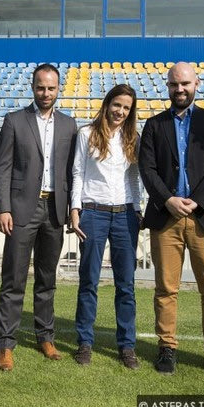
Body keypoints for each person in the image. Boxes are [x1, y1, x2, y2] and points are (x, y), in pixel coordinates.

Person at [138, 62, 204, 378]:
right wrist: (168, 199)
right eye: (174, 84)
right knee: (166, 289)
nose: (180, 89)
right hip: (166, 217)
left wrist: (198, 200)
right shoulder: (154, 125)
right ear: (168, 86)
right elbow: (147, 168)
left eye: (185, 84)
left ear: (196, 84)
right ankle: (167, 348)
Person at [0, 63, 77, 371]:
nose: (45, 93)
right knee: (13, 279)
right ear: (32, 87)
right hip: (21, 210)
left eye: (51, 88)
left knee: (47, 279)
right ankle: (5, 344)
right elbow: (3, 167)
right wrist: (3, 207)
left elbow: (72, 172)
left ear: (58, 89)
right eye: (41, 87)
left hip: (55, 210)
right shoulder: (14, 120)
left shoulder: (69, 125)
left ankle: (45, 337)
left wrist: (72, 209)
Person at [70, 84, 142, 368]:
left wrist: (137, 209)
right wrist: (75, 210)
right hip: (93, 213)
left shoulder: (132, 137)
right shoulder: (86, 134)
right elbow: (78, 173)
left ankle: (127, 346)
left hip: (125, 215)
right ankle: (85, 342)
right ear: (107, 104)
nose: (120, 112)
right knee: (89, 281)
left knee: (126, 284)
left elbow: (133, 178)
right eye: (117, 105)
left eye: (126, 108)